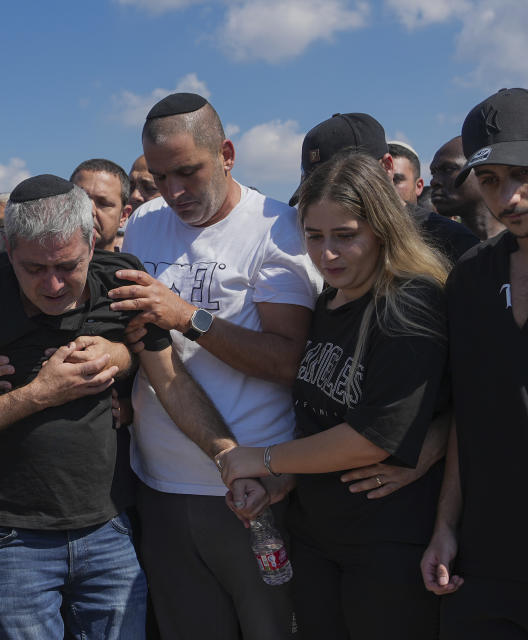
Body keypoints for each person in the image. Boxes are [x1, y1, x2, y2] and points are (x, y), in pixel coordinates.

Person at [0, 174, 242, 639]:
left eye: (67, 266)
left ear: (92, 243)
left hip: (108, 529)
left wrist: (227, 453)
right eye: (33, 269)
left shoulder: (122, 283)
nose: (52, 284)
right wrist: (38, 394)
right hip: (12, 539)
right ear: (8, 252)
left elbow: (169, 379)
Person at [106, 92, 320, 640]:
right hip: (158, 484)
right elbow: (137, 338)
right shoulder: (146, 223)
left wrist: (187, 317)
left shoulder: (277, 228)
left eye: (187, 172)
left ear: (226, 153)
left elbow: (289, 360)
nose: (174, 192)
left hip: (253, 492)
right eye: (159, 177)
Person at [218, 151, 450, 639]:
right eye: (314, 236)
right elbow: (321, 417)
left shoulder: (410, 303)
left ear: (382, 229)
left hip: (388, 544)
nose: (327, 254)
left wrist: (262, 459)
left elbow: (375, 437)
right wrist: (286, 481)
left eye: (345, 236)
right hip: (319, 536)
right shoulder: (329, 301)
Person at [421, 87, 528, 638]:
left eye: (520, 174)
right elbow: (470, 411)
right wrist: (445, 526)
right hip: (485, 564)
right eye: (491, 181)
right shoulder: (471, 276)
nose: (509, 198)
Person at [291, 113, 479, 264]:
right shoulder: (311, 249)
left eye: (344, 179)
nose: (329, 253)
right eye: (317, 184)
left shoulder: (451, 241)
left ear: (387, 166)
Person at [430, 136, 505, 240]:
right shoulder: (436, 250)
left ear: (482, 170)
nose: (434, 181)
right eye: (433, 173)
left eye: (448, 169)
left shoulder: (521, 244)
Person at [70, 158, 133, 252]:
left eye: (103, 203)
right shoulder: (43, 262)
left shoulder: (136, 265)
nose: (90, 210)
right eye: (80, 200)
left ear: (123, 216)